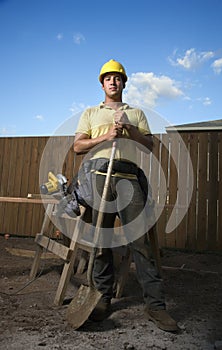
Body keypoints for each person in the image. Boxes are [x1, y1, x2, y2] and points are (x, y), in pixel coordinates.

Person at [73, 59, 179, 332]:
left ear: (123, 83)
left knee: (140, 242)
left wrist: (129, 129)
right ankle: (102, 299)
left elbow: (149, 146)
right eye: (108, 78)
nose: (113, 81)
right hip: (99, 178)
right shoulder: (90, 113)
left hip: (129, 180)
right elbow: (77, 147)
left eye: (117, 78)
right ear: (102, 83)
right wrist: (106, 136)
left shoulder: (136, 113)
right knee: (100, 242)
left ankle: (156, 306)